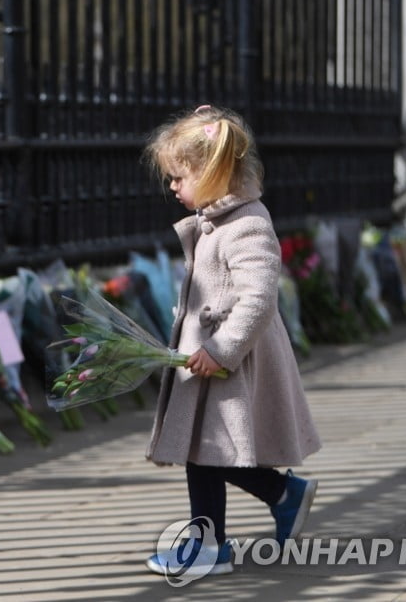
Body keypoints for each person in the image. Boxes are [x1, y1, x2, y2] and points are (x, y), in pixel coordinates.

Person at [141, 104, 322, 578]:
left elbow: (259, 298)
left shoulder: (246, 224)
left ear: (214, 171)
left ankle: (225, 537)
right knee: (205, 452)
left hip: (230, 363)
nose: (174, 187)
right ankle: (274, 502)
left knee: (212, 451)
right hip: (209, 361)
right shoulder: (217, 220)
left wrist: (220, 349)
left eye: (179, 177)